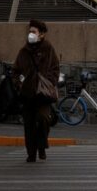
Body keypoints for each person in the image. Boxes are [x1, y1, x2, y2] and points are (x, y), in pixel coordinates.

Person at [12, 19, 59, 163]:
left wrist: (49, 82)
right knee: (29, 124)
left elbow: (55, 69)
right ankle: (31, 153)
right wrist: (19, 83)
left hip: (43, 95)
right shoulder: (23, 51)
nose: (30, 34)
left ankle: (42, 146)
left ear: (41, 34)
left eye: (34, 32)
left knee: (43, 119)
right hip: (27, 94)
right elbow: (16, 70)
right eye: (30, 31)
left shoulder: (48, 49)